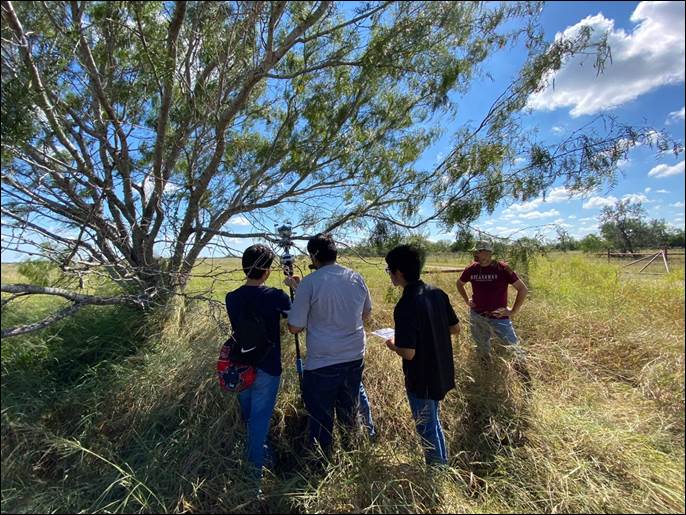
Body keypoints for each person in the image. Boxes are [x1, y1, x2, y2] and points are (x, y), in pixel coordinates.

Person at [286, 233, 373, 456]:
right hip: (354, 357)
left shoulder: (310, 283)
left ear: (314, 256)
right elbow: (366, 313)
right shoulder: (355, 277)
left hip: (323, 363)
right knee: (349, 411)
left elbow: (295, 326)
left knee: (321, 417)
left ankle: (321, 461)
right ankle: (352, 454)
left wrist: (302, 296)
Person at [383, 244, 460, 466]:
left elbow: (408, 353)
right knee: (434, 421)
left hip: (421, 377)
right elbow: (455, 329)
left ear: (399, 272)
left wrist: (392, 345)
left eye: (390, 271)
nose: (390, 275)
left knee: (426, 427)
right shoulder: (437, 293)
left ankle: (437, 472)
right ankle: (442, 464)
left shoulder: (406, 304)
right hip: (442, 370)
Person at [225, 244, 291, 480]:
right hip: (267, 366)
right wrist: (296, 288)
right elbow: (294, 320)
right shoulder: (275, 296)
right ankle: (254, 480)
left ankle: (263, 457)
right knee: (259, 421)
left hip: (241, 366)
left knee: (251, 417)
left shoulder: (231, 298)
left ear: (245, 268)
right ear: (267, 270)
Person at [455, 240, 529, 367]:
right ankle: (486, 372)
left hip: (499, 316)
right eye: (476, 252)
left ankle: (523, 375)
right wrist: (467, 300)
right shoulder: (472, 269)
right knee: (482, 347)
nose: (478, 255)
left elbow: (523, 289)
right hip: (477, 315)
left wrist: (513, 311)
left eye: (481, 252)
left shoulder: (503, 268)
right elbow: (459, 283)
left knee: (513, 348)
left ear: (489, 253)